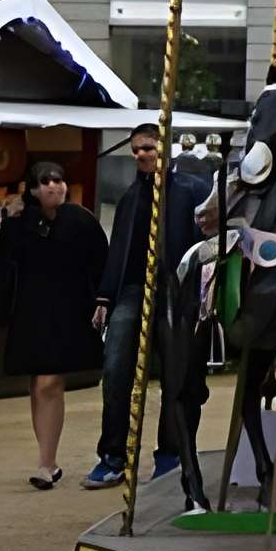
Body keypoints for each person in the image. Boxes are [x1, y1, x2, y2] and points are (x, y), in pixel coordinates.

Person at [88, 127, 209, 488]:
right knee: (115, 367)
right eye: (137, 150)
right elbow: (119, 248)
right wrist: (104, 297)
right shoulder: (131, 197)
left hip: (178, 289)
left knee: (179, 373)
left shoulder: (191, 190)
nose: (142, 154)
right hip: (133, 288)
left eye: (149, 148)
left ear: (164, 148)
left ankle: (172, 453)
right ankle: (113, 455)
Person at [0, 160, 107, 489]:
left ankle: (46, 462)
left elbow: (101, 263)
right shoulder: (19, 224)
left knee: (50, 383)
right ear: (33, 189)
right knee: (38, 386)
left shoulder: (81, 220)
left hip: (69, 310)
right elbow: (2, 268)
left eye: (59, 180)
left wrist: (102, 302)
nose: (54, 186)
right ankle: (47, 459)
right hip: (31, 311)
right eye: (46, 181)